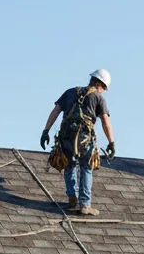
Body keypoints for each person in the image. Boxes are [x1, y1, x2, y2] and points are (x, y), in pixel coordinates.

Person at [40, 70, 115, 216]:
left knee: (69, 164)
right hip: (84, 138)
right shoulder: (98, 98)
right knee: (86, 167)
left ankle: (72, 198)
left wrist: (46, 131)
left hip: (66, 135)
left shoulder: (70, 92)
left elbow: (55, 111)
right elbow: (105, 122)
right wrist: (111, 142)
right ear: (102, 86)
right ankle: (85, 204)